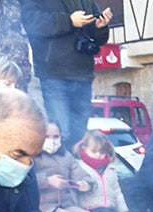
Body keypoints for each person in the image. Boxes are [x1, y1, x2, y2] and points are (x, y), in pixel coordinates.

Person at [20, 0, 112, 150]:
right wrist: (69, 21)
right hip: (54, 73)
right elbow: (32, 23)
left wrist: (100, 27)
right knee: (61, 133)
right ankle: (60, 169)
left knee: (80, 136)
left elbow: (99, 39)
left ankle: (74, 170)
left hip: (83, 73)